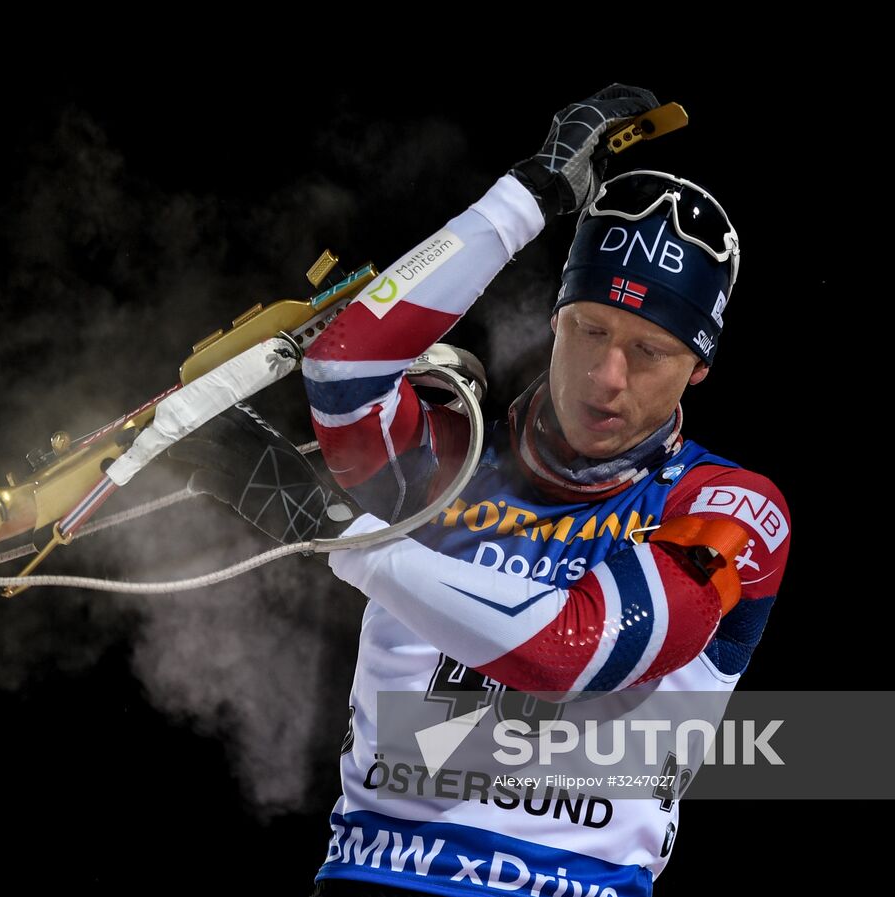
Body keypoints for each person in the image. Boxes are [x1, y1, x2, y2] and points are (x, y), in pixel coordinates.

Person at [167, 84, 791, 897]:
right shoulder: (449, 455)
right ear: (558, 317)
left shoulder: (729, 508)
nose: (608, 377)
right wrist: (528, 196)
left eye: (649, 351)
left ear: (698, 369)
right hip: (372, 877)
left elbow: (573, 653)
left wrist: (332, 526)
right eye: (591, 329)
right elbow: (345, 365)